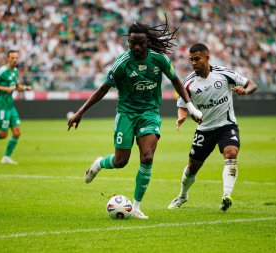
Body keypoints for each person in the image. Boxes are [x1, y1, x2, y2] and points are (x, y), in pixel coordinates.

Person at [68, 19, 203, 219]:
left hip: (149, 113)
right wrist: (81, 111)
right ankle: (99, 163)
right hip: (126, 114)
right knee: (120, 161)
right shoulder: (122, 63)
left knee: (147, 156)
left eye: (140, 43)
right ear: (128, 42)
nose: (136, 47)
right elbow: (103, 88)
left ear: (147, 42)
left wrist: (189, 106)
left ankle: (137, 206)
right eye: (132, 43)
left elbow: (175, 80)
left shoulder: (159, 60)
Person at [167, 43, 258, 212]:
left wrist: (245, 91)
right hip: (204, 130)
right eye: (190, 60)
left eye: (196, 59)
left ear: (207, 58)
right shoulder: (188, 83)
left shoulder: (224, 74)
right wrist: (182, 117)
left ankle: (226, 196)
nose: (193, 63)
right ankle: (182, 196)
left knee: (231, 153)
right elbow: (182, 105)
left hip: (226, 125)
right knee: (193, 167)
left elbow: (252, 84)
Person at [0, 50, 31, 164]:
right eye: (12, 58)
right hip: (2, 105)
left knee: (17, 132)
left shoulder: (15, 71)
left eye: (16, 58)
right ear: (8, 58)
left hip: (10, 105)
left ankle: (6, 157)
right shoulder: (2, 70)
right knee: (3, 134)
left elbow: (16, 86)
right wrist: (6, 89)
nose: (15, 60)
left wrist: (25, 88)